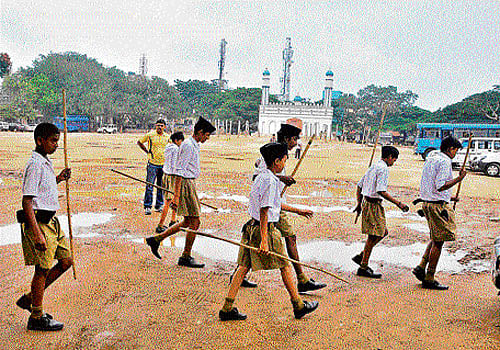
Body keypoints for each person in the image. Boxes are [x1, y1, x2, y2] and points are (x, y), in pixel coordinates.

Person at [219, 142, 319, 321]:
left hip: (252, 227)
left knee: (243, 267)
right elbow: (265, 211)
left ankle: (227, 308)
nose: (285, 162)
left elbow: (274, 204)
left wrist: (299, 211)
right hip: (263, 229)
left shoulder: (262, 177)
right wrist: (264, 240)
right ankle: (298, 305)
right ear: (277, 161)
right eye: (284, 159)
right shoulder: (271, 181)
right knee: (285, 265)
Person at [244, 123, 326, 293]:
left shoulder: (283, 154)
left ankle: (240, 274)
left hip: (276, 205)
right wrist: (282, 178)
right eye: (294, 139)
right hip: (272, 206)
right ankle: (301, 281)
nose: (296, 143)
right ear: (287, 138)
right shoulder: (274, 153)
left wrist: (281, 178)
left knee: (287, 238)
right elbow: (258, 176)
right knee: (283, 238)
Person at [15, 123, 73, 331]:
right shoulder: (35, 164)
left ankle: (31, 298)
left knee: (66, 261)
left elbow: (44, 190)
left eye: (58, 141)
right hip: (39, 222)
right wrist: (37, 234)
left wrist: (59, 178)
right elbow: (27, 201)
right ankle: (37, 316)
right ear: (40, 140)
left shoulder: (45, 162)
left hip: (52, 222)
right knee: (42, 269)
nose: (56, 145)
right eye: (52, 141)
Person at [145, 117, 216, 268]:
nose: (207, 138)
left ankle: (156, 239)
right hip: (185, 184)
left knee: (188, 222)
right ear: (200, 132)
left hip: (189, 183)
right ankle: (185, 256)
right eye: (207, 135)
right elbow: (179, 171)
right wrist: (176, 196)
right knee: (195, 222)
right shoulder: (188, 145)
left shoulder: (194, 145)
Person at [412, 136, 466, 290]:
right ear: (451, 149)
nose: (455, 154)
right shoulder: (444, 161)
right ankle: (429, 277)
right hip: (436, 206)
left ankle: (421, 267)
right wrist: (459, 178)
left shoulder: (432, 157)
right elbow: (441, 185)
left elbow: (434, 186)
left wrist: (450, 197)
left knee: (436, 237)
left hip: (428, 202)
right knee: (439, 240)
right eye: (456, 150)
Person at [352, 146, 409, 278]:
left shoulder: (374, 166)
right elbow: (381, 191)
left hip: (368, 202)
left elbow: (359, 185)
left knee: (381, 232)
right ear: (389, 157)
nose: (393, 163)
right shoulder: (382, 169)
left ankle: (362, 256)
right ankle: (363, 265)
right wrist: (398, 203)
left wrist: (359, 203)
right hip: (373, 204)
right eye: (394, 160)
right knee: (375, 235)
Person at [137, 119, 168, 215]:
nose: (159, 127)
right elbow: (140, 142)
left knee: (161, 186)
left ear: (165, 127)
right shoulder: (150, 135)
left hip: (163, 165)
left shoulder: (167, 137)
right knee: (149, 185)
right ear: (155, 126)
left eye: (161, 125)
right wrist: (147, 152)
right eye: (158, 125)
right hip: (152, 164)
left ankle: (159, 205)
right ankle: (147, 206)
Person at [156, 131, 184, 233]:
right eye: (181, 141)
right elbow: (175, 165)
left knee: (174, 199)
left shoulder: (168, 147)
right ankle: (160, 225)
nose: (181, 143)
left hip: (166, 174)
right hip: (171, 176)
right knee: (168, 201)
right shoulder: (175, 149)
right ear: (176, 140)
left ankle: (173, 220)